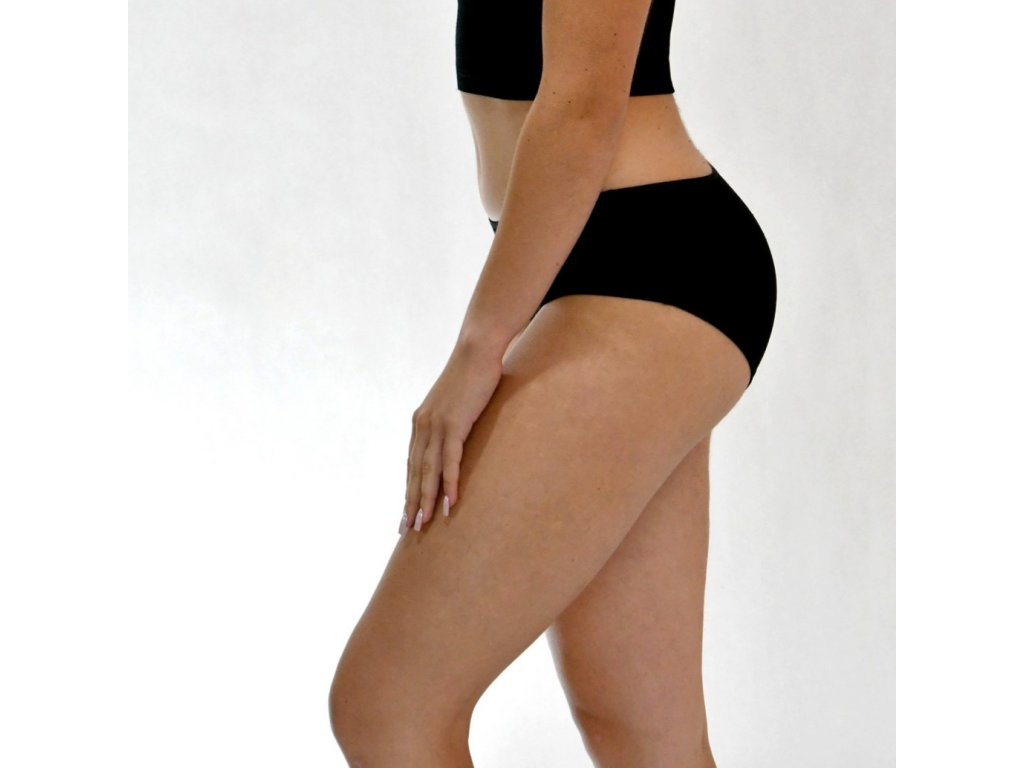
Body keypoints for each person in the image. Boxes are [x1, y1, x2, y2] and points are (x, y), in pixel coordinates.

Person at [329, 0, 777, 763]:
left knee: (389, 704)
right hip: (591, 264)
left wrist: (479, 350)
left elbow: (581, 110)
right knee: (638, 728)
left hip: (650, 265)